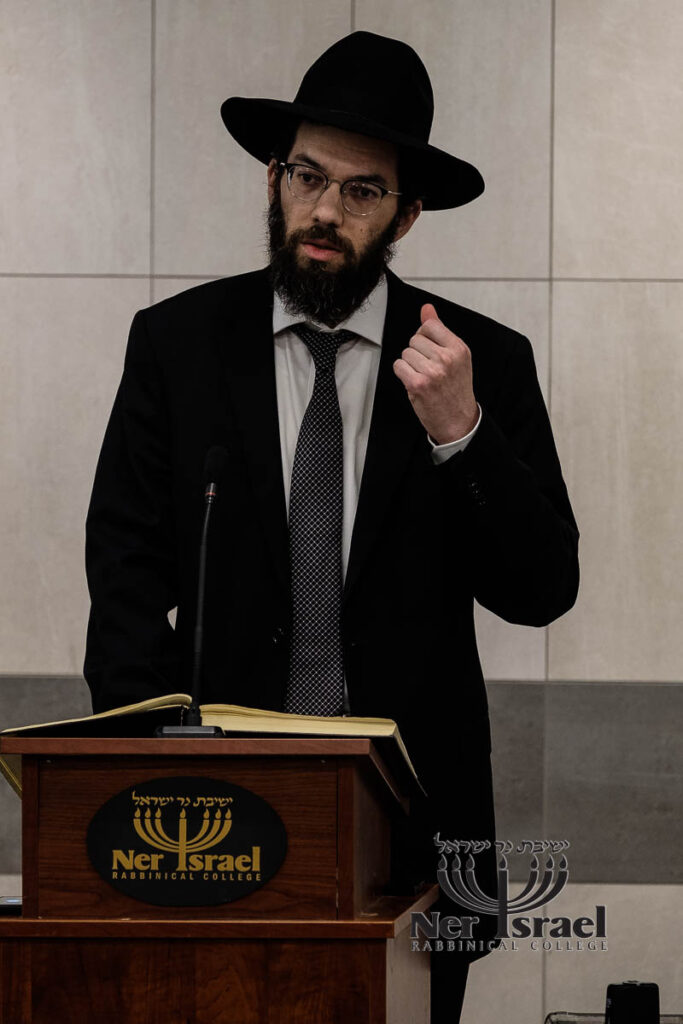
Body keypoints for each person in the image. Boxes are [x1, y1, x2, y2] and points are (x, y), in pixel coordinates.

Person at [84, 31, 579, 1022]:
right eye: (307, 176)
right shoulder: (177, 347)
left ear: (406, 214)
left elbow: (539, 591)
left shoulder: (480, 361)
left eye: (361, 191)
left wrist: (463, 436)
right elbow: (126, 582)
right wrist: (150, 782)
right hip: (215, 815)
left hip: (419, 829)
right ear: (272, 177)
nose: (323, 211)